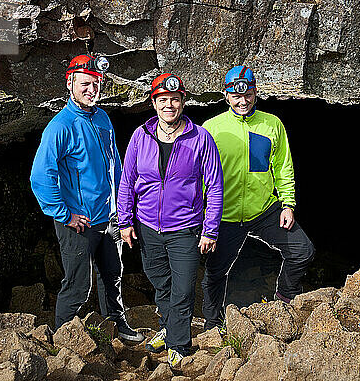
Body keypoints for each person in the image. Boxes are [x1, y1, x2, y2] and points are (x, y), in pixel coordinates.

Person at [30, 54, 143, 342]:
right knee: (78, 285)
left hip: (110, 218)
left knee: (112, 276)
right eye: (85, 83)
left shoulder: (102, 117)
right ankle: (61, 339)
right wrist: (64, 213)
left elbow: (114, 165)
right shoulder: (61, 126)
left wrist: (123, 207)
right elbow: (41, 177)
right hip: (78, 222)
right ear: (70, 83)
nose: (92, 89)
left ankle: (117, 326)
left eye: (96, 84)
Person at [117, 73, 223, 367]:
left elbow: (214, 185)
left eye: (174, 100)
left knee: (184, 287)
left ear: (183, 102)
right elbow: (127, 181)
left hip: (186, 228)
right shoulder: (141, 136)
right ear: (153, 103)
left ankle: (180, 344)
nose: (169, 105)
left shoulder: (200, 138)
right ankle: (168, 327)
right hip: (148, 225)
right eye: (162, 100)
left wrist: (210, 230)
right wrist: (125, 221)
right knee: (160, 282)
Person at [201, 65, 315, 331]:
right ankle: (211, 324)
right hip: (225, 214)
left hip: (263, 209)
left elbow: (283, 166)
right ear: (226, 96)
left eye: (248, 94)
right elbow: (197, 174)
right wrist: (202, 213)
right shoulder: (211, 128)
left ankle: (285, 297)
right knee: (215, 272)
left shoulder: (271, 124)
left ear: (255, 93)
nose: (243, 101)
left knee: (302, 251)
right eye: (236, 96)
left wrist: (287, 204)